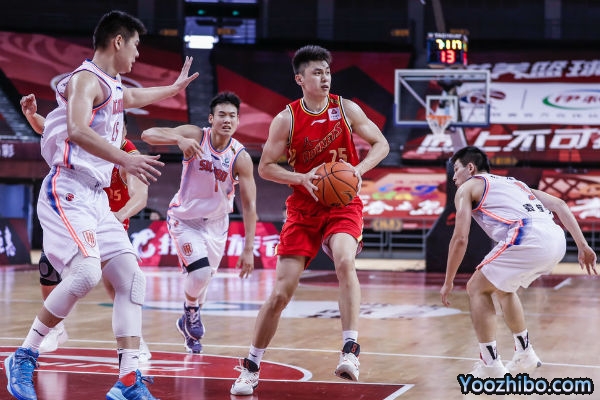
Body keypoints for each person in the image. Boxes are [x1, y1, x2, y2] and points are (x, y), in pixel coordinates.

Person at [4, 10, 198, 400]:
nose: (138, 55)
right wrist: (125, 158)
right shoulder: (85, 79)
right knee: (86, 273)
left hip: (95, 197)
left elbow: (133, 97)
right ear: (118, 41)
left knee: (131, 278)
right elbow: (77, 129)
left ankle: (127, 380)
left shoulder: (110, 85)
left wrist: (174, 88)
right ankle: (23, 355)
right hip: (67, 189)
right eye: (136, 46)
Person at [230, 45, 389, 396]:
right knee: (280, 294)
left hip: (343, 203)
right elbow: (265, 167)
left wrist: (358, 170)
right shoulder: (286, 118)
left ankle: (350, 350)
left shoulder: (346, 108)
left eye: (327, 71)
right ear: (300, 79)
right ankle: (251, 367)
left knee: (345, 261)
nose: (325, 77)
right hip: (304, 208)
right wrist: (300, 178)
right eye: (317, 72)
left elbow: (381, 144)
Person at [440, 146, 598, 378]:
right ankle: (525, 353)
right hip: (556, 239)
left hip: (528, 235)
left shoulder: (468, 187)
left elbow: (460, 238)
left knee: (476, 288)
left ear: (470, 168)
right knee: (504, 289)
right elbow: (560, 205)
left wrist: (448, 281)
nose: (454, 177)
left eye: (456, 169)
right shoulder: (516, 184)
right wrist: (583, 246)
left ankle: (490, 366)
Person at [20, 94, 152, 361]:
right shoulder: (88, 140)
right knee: (51, 268)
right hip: (75, 210)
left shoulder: (128, 154)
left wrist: (120, 214)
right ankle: (52, 332)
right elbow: (50, 127)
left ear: (121, 130)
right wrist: (32, 116)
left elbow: (141, 196)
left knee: (125, 284)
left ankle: (135, 346)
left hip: (109, 217)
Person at [141, 91, 257, 354]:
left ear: (238, 121)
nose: (227, 120)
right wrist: (178, 139)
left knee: (203, 279)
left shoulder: (240, 157)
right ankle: (190, 310)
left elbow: (250, 206)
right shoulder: (196, 135)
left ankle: (188, 324)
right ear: (211, 119)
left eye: (232, 116)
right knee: (200, 273)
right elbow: (148, 134)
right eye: (222, 115)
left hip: (217, 223)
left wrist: (248, 248)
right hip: (185, 219)